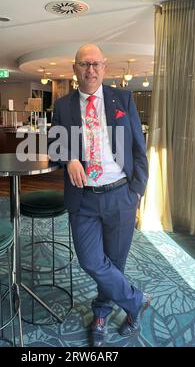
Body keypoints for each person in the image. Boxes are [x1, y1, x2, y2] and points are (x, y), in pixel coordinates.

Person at [49, 44, 149, 347]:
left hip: (121, 195)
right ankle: (136, 300)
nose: (90, 70)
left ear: (105, 67)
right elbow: (55, 146)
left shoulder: (124, 98)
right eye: (83, 64)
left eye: (95, 64)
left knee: (115, 263)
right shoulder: (63, 105)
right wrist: (70, 158)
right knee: (91, 260)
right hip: (84, 199)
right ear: (74, 68)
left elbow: (138, 149)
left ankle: (102, 313)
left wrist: (137, 191)